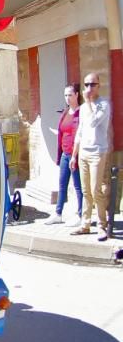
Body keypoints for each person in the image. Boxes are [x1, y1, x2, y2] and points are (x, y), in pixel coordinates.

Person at [70, 72, 112, 241]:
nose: (88, 88)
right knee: (86, 190)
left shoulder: (103, 104)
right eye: (86, 85)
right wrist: (74, 155)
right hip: (84, 152)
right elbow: (80, 131)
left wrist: (87, 102)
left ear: (98, 85)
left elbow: (95, 122)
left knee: (96, 190)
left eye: (92, 85)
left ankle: (102, 225)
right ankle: (85, 224)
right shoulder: (83, 109)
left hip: (98, 152)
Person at [47, 83, 82, 225]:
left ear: (77, 95)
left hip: (76, 155)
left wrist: (74, 155)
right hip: (65, 155)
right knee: (62, 184)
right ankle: (58, 213)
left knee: (78, 186)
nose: (67, 98)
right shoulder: (66, 112)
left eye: (70, 95)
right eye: (65, 95)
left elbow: (79, 134)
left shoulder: (81, 113)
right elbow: (63, 131)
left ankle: (81, 215)